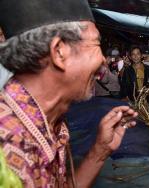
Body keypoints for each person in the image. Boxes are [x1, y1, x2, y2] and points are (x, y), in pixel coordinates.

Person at [0, 0, 138, 187]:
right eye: (97, 43)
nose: (104, 60)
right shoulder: (7, 148)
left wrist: (99, 151)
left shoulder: (51, 122)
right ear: (59, 52)